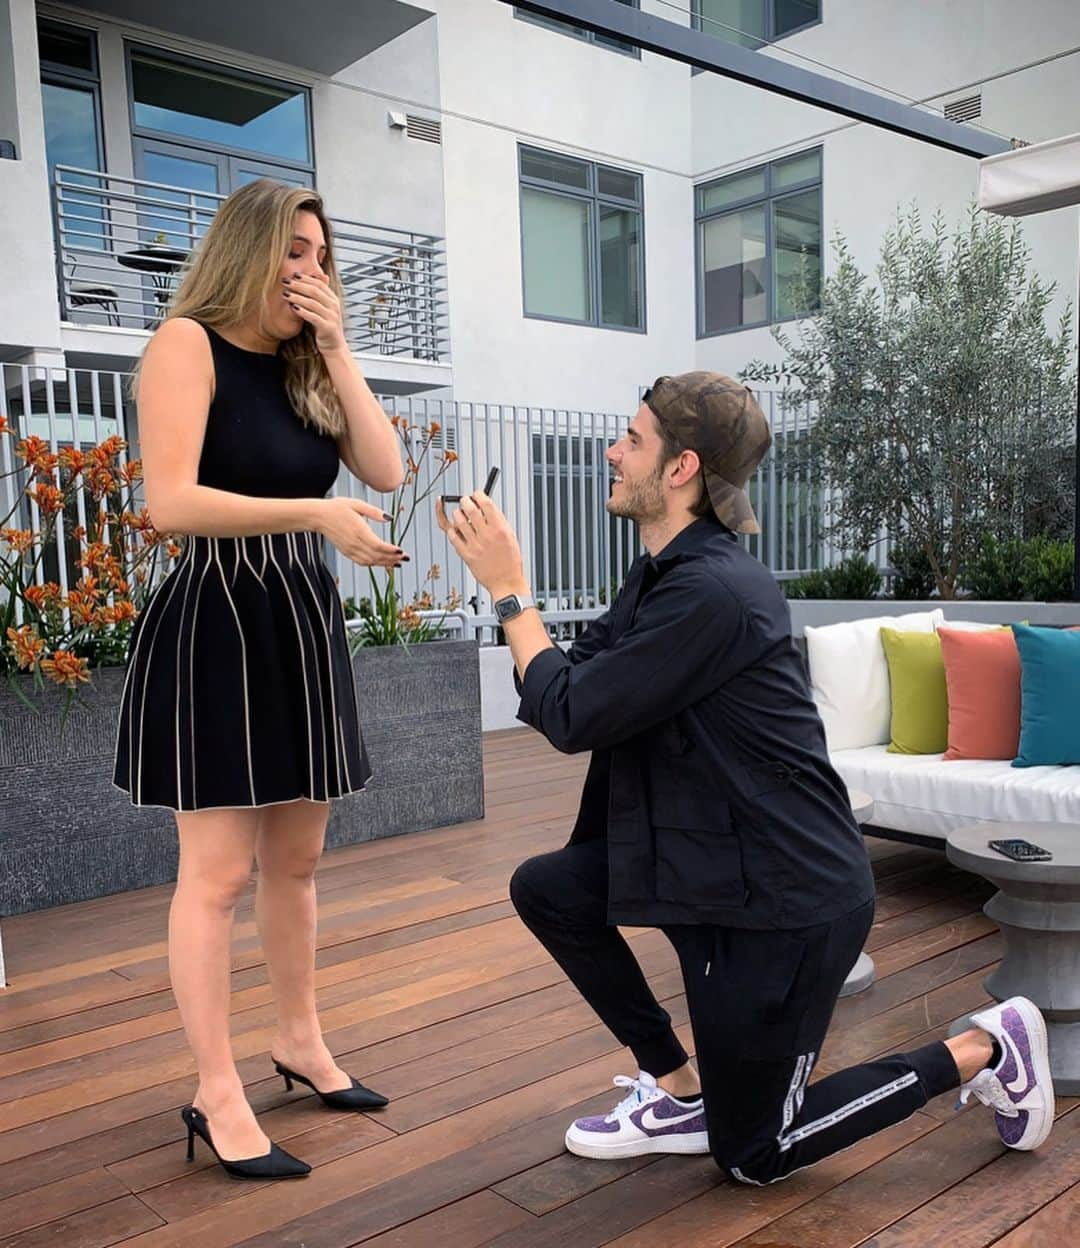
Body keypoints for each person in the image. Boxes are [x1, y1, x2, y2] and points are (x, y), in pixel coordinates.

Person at [435, 370, 1054, 1185]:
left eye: (632, 440)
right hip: (708, 861)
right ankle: (679, 1088)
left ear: (682, 467)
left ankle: (984, 1046)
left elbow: (572, 713)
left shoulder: (714, 592)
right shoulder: (661, 575)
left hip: (785, 898)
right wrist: (534, 632)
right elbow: (573, 685)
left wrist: (511, 593)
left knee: (758, 1154)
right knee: (550, 889)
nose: (612, 452)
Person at [113, 179, 406, 1180]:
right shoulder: (185, 345)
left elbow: (388, 469)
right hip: (221, 623)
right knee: (219, 876)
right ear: (247, 250)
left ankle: (300, 1040)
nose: (305, 272)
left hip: (297, 622)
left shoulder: (303, 366)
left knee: (299, 863)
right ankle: (216, 1088)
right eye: (291, 252)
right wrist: (315, 519)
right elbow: (169, 503)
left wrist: (336, 347)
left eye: (318, 255)